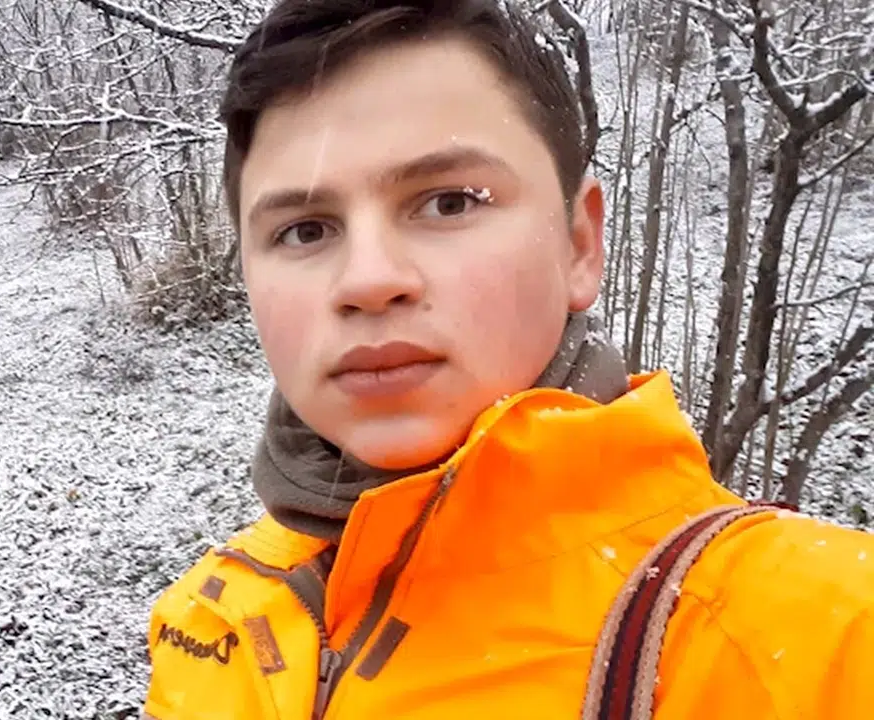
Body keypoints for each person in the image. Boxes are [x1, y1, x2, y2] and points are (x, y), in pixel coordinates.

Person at [141, 1, 874, 718]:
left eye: (450, 202)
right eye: (305, 230)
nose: (368, 280)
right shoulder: (212, 619)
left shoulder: (819, 636)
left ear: (579, 245)